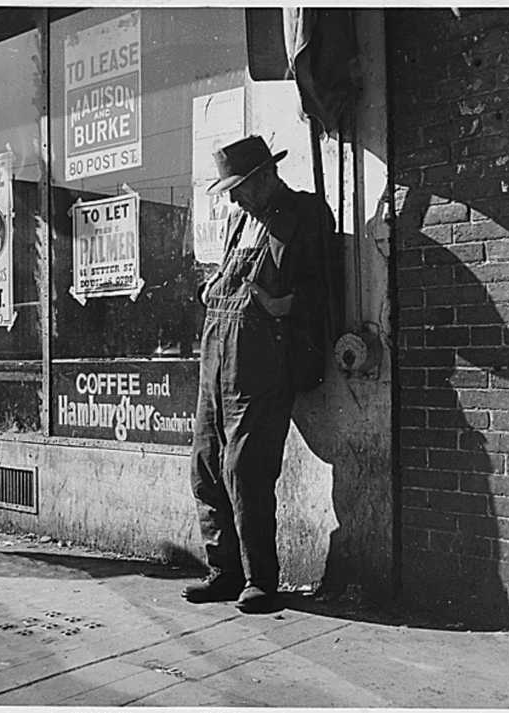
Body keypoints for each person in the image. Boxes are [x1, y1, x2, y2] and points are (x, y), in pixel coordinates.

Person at [183, 134, 334, 613]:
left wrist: (283, 304)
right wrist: (214, 288)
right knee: (206, 465)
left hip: (264, 359)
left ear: (266, 176)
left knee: (244, 469)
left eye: (240, 187)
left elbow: (327, 289)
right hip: (217, 355)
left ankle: (260, 580)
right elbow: (231, 279)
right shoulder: (237, 222)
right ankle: (224, 572)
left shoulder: (305, 214)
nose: (233, 197)